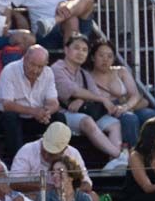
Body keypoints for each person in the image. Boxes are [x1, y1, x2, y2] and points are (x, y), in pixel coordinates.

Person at [52, 34, 127, 167]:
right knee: (87, 121)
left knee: (114, 124)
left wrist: (82, 99)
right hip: (63, 114)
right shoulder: (57, 69)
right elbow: (73, 90)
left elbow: (95, 94)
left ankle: (113, 164)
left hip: (84, 111)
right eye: (76, 48)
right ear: (66, 50)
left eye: (84, 50)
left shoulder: (84, 73)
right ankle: (119, 155)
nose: (80, 52)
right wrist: (97, 98)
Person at [87, 38, 155, 151]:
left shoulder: (121, 71)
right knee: (130, 119)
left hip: (127, 106)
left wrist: (125, 107)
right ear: (93, 57)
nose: (105, 59)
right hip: (104, 111)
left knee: (152, 115)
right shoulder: (87, 76)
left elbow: (135, 95)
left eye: (109, 56)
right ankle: (134, 156)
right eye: (101, 55)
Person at [0, 45, 64, 160]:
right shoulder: (10, 70)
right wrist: (35, 112)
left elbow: (54, 103)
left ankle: (56, 161)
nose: (35, 70)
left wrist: (45, 112)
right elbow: (7, 105)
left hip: (35, 118)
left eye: (40, 67)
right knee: (10, 117)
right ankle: (19, 162)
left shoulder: (48, 72)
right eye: (32, 65)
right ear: (25, 59)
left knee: (59, 118)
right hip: (7, 117)